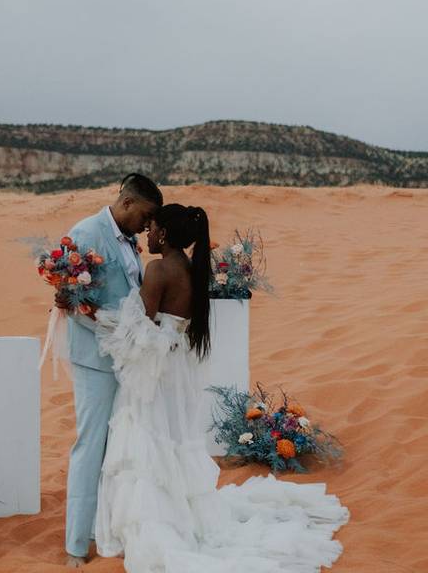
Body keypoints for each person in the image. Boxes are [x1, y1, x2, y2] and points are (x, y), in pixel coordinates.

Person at [86, 203, 350, 572]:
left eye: (153, 227)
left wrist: (94, 313)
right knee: (171, 438)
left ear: (164, 233)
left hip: (156, 370)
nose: (148, 233)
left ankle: (157, 522)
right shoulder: (191, 271)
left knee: (147, 439)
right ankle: (177, 511)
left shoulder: (159, 269)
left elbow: (139, 330)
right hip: (176, 365)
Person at [55, 172, 163, 568]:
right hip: (96, 360)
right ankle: (75, 545)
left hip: (125, 361)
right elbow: (73, 302)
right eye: (146, 216)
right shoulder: (86, 234)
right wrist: (121, 329)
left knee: (117, 448)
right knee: (90, 447)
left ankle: (108, 530)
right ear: (128, 203)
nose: (148, 226)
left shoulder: (129, 241)